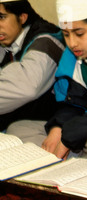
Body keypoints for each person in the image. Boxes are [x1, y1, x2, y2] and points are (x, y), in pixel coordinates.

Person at [7, 0, 87, 160]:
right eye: (66, 34)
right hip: (82, 126)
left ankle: (73, 156)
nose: (72, 43)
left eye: (79, 34)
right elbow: (73, 103)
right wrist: (58, 127)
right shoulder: (72, 57)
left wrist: (69, 135)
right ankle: (74, 157)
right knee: (18, 129)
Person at [0, 0, 64, 133]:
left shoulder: (46, 42)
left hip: (47, 126)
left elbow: (26, 87)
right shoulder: (7, 40)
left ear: (22, 17)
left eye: (1, 17)